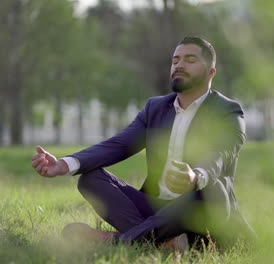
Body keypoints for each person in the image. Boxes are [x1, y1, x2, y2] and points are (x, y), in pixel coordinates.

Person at [31, 36, 255, 250]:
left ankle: (117, 241)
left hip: (201, 213)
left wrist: (196, 176)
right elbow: (119, 145)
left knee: (209, 189)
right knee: (90, 179)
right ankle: (164, 242)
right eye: (175, 60)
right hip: (156, 207)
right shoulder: (155, 107)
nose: (179, 65)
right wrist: (63, 164)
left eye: (190, 59)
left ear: (210, 72)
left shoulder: (228, 111)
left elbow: (221, 153)